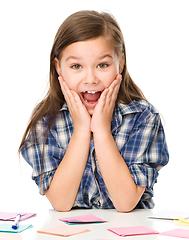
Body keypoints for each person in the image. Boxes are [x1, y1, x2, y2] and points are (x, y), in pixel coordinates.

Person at [19, 10, 169, 212]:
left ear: (121, 63)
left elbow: (125, 203)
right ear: (58, 67)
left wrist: (102, 131)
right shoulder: (46, 121)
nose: (90, 79)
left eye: (102, 65)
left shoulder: (143, 118)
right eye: (76, 66)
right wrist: (82, 130)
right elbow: (61, 203)